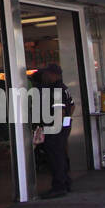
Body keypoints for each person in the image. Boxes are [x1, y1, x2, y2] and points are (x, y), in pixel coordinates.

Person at [36, 65, 74, 199]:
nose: (44, 77)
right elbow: (72, 106)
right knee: (61, 154)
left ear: (53, 74)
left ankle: (59, 186)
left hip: (55, 127)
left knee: (55, 156)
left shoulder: (56, 90)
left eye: (46, 74)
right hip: (63, 126)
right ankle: (65, 181)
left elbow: (61, 111)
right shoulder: (64, 88)